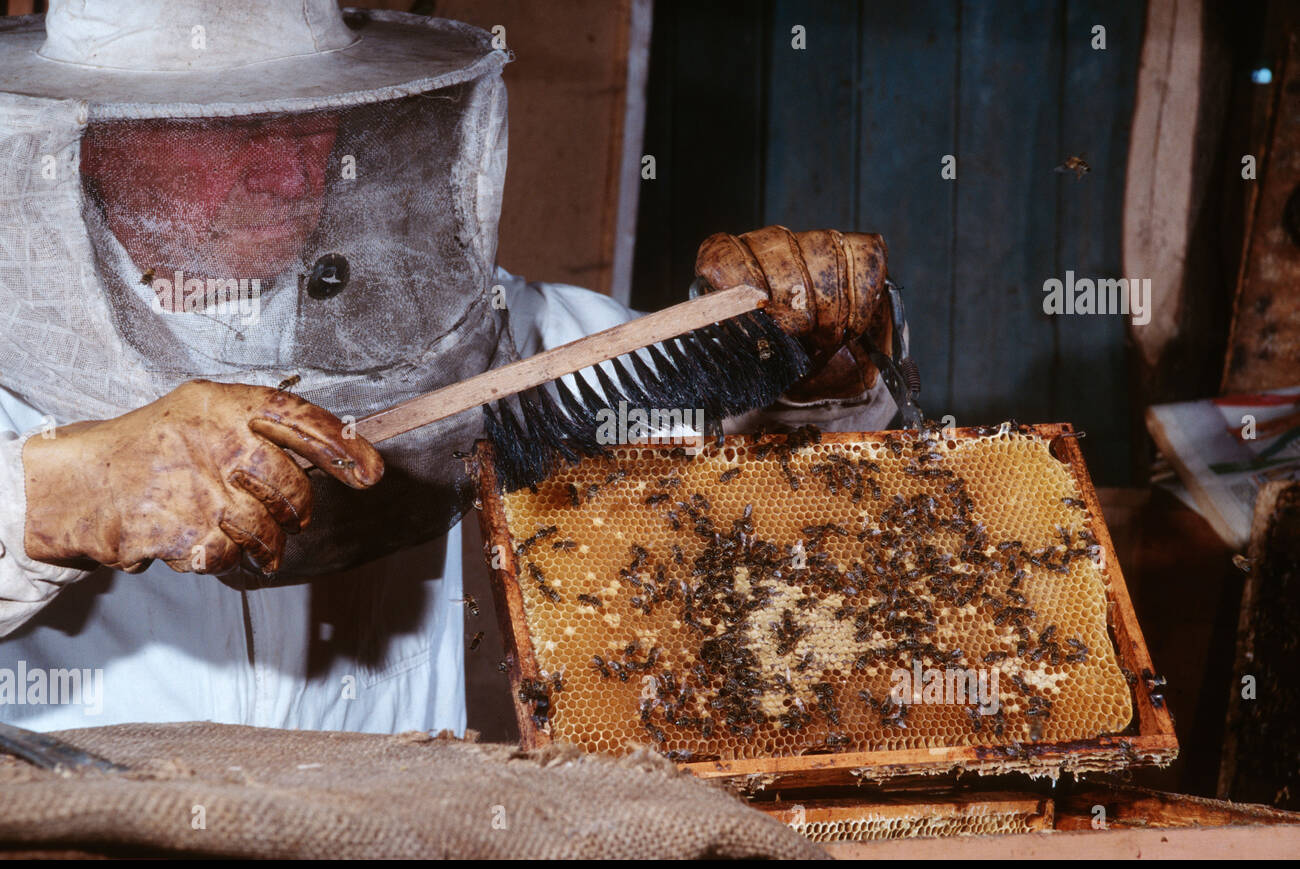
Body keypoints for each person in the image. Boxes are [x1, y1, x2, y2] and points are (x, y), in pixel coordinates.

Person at [0, 1, 898, 735]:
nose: (288, 170)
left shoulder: (458, 327)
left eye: (308, 111)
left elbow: (768, 471)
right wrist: (49, 496)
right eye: (234, 122)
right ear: (97, 134)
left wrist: (811, 362)